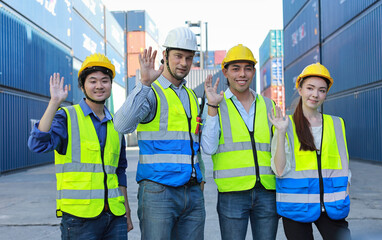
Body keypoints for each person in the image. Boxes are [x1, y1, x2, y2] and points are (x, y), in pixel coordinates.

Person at [28, 53, 133, 239]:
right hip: (79, 219)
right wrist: (54, 103)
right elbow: (37, 144)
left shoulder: (116, 125)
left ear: (110, 85)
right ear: (82, 85)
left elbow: (119, 171)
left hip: (115, 216)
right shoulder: (66, 117)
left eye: (105, 80)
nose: (99, 86)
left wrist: (127, 211)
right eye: (92, 81)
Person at [113, 27, 205, 240]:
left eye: (189, 58)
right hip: (159, 192)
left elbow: (194, 144)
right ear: (165, 56)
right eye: (178, 56)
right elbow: (121, 125)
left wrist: (201, 180)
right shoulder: (151, 90)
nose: (183, 63)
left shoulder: (191, 96)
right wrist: (144, 83)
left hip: (192, 192)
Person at [201, 44, 278, 240]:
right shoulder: (215, 104)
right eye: (236, 69)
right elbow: (208, 148)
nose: (242, 74)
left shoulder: (269, 105)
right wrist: (211, 107)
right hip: (232, 194)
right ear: (225, 72)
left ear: (253, 71)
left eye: (248, 68)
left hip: (267, 191)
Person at [268, 62, 351, 240]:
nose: (315, 94)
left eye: (321, 90)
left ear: (326, 94)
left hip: (332, 206)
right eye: (310, 88)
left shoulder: (337, 123)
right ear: (299, 89)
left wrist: (346, 190)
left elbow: (344, 164)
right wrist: (281, 132)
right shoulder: (286, 124)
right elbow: (279, 170)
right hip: (297, 206)